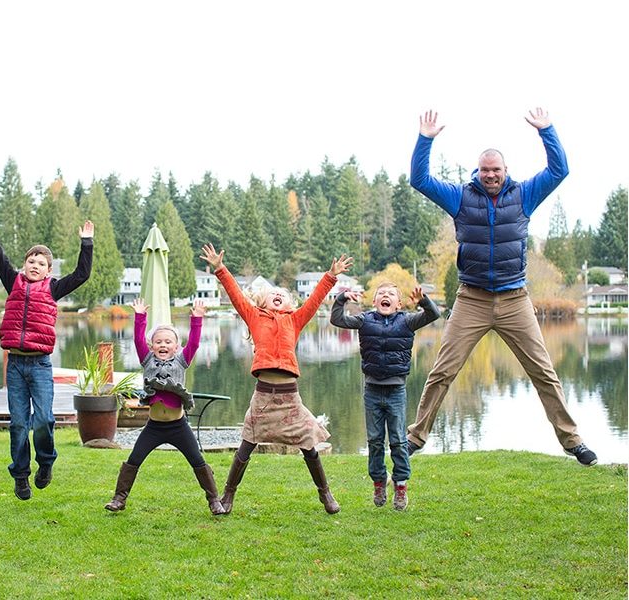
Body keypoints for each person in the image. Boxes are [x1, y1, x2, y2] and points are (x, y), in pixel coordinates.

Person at [407, 109, 596, 466]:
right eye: (485, 170)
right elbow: (419, 179)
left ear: (505, 172)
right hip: (471, 299)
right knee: (443, 370)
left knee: (543, 371)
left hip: (515, 299)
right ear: (477, 172)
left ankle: (573, 441)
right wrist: (425, 139)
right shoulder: (459, 197)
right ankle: (415, 437)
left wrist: (547, 131)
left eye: (496, 169)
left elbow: (560, 170)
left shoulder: (524, 195)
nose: (490, 175)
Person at [201, 244, 353, 515]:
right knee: (246, 445)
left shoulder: (295, 320)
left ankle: (325, 494)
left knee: (309, 445)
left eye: (281, 294)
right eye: (272, 294)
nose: (277, 296)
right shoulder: (253, 317)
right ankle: (228, 496)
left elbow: (315, 299)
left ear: (288, 302)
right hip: (263, 395)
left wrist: (331, 275)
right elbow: (236, 295)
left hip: (290, 397)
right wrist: (220, 268)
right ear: (262, 303)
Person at [0, 202, 92, 501]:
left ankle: (45, 463)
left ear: (48, 271)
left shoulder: (54, 289)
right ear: (24, 266)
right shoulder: (13, 282)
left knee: (44, 420)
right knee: (19, 424)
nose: (33, 265)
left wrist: (86, 243)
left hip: (40, 366)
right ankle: (21, 476)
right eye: (30, 261)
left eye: (40, 263)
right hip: (16, 367)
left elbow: (83, 274)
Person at [104, 299, 227, 515]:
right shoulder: (147, 360)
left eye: (168, 342)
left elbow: (195, 344)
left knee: (197, 460)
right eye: (158, 342)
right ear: (152, 346)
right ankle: (119, 499)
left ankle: (214, 500)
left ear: (176, 346)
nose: (163, 345)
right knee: (134, 459)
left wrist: (197, 318)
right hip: (154, 427)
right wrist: (140, 316)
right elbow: (138, 340)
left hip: (178, 426)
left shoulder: (182, 361)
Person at [330, 283, 440, 510]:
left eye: (391, 294)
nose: (386, 296)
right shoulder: (364, 320)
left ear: (399, 304)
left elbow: (433, 314)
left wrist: (423, 301)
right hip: (372, 390)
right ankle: (379, 482)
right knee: (375, 441)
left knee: (399, 442)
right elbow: (337, 320)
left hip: (396, 391)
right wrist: (341, 299)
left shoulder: (407, 321)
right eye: (381, 294)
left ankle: (400, 486)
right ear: (375, 301)